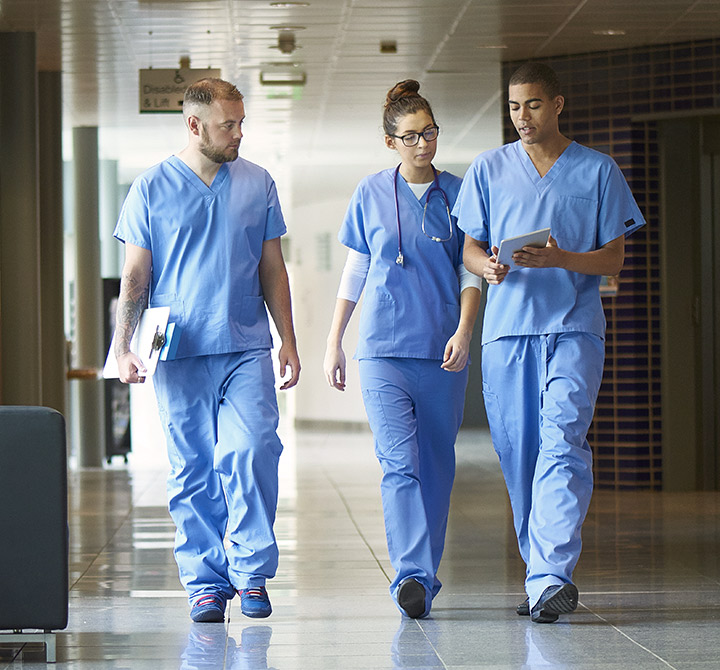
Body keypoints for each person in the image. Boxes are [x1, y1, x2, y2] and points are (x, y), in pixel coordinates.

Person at [453, 62, 645, 623]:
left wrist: (561, 257)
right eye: (514, 107)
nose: (522, 117)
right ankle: (540, 574)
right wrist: (485, 267)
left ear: (557, 105)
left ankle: (552, 576)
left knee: (563, 442)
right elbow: (468, 248)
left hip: (573, 329)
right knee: (520, 457)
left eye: (533, 105)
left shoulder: (598, 170)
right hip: (508, 333)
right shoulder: (489, 169)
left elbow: (613, 258)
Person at [113, 77, 300, 623]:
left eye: (242, 123)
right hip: (180, 347)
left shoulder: (258, 182)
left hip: (245, 343)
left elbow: (272, 267)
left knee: (252, 449)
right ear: (195, 126)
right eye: (229, 124)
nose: (239, 133)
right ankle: (205, 582)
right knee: (192, 468)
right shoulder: (150, 188)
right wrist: (123, 346)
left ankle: (251, 570)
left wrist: (288, 338)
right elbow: (136, 274)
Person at [323, 80, 482, 619]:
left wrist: (464, 331)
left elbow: (469, 268)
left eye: (430, 133)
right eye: (411, 136)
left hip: (442, 351)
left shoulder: (460, 193)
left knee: (436, 464)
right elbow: (357, 267)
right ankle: (411, 574)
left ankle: (425, 574)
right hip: (383, 351)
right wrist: (335, 340)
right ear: (390, 141)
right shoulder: (370, 192)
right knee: (399, 464)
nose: (423, 144)